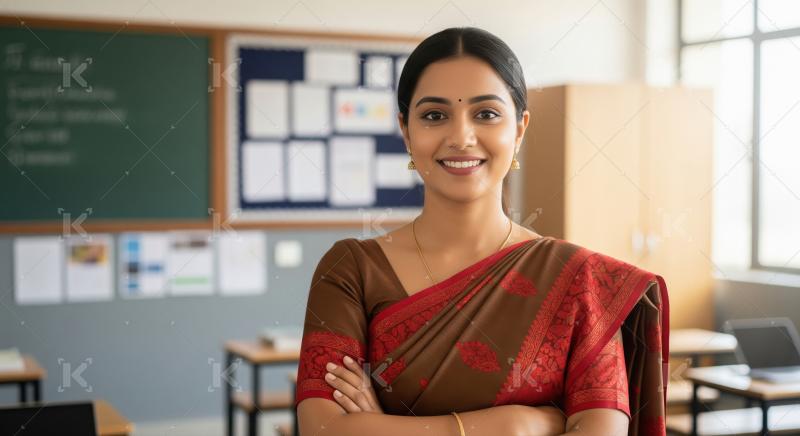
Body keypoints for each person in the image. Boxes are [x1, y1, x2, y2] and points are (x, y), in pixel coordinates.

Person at [295, 27, 669, 436]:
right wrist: (513, 425)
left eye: (486, 114)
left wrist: (383, 426)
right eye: (434, 115)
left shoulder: (581, 279)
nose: (460, 137)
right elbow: (323, 429)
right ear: (406, 130)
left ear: (520, 129)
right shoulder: (350, 270)